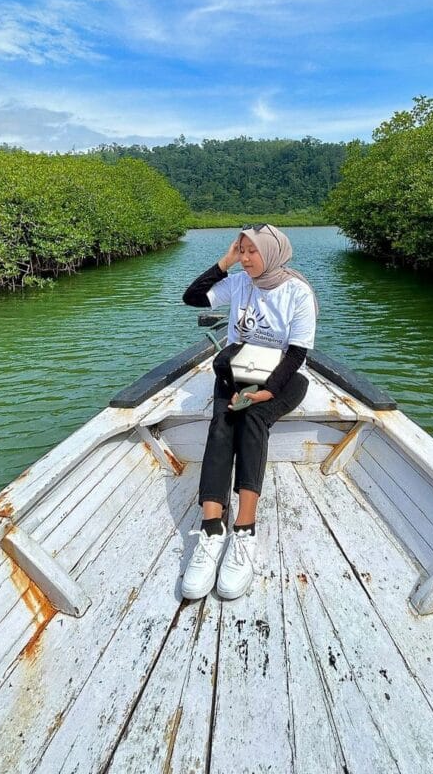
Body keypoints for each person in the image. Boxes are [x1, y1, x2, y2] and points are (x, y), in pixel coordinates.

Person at [180, 223, 318, 600]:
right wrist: (223, 263)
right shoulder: (240, 282)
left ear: (271, 251)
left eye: (251, 251)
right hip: (239, 370)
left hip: (283, 376)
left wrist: (267, 391)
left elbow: (297, 354)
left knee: (254, 418)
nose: (245, 258)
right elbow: (192, 297)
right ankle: (212, 529)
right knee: (223, 420)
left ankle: (244, 530)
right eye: (240, 250)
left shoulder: (297, 292)